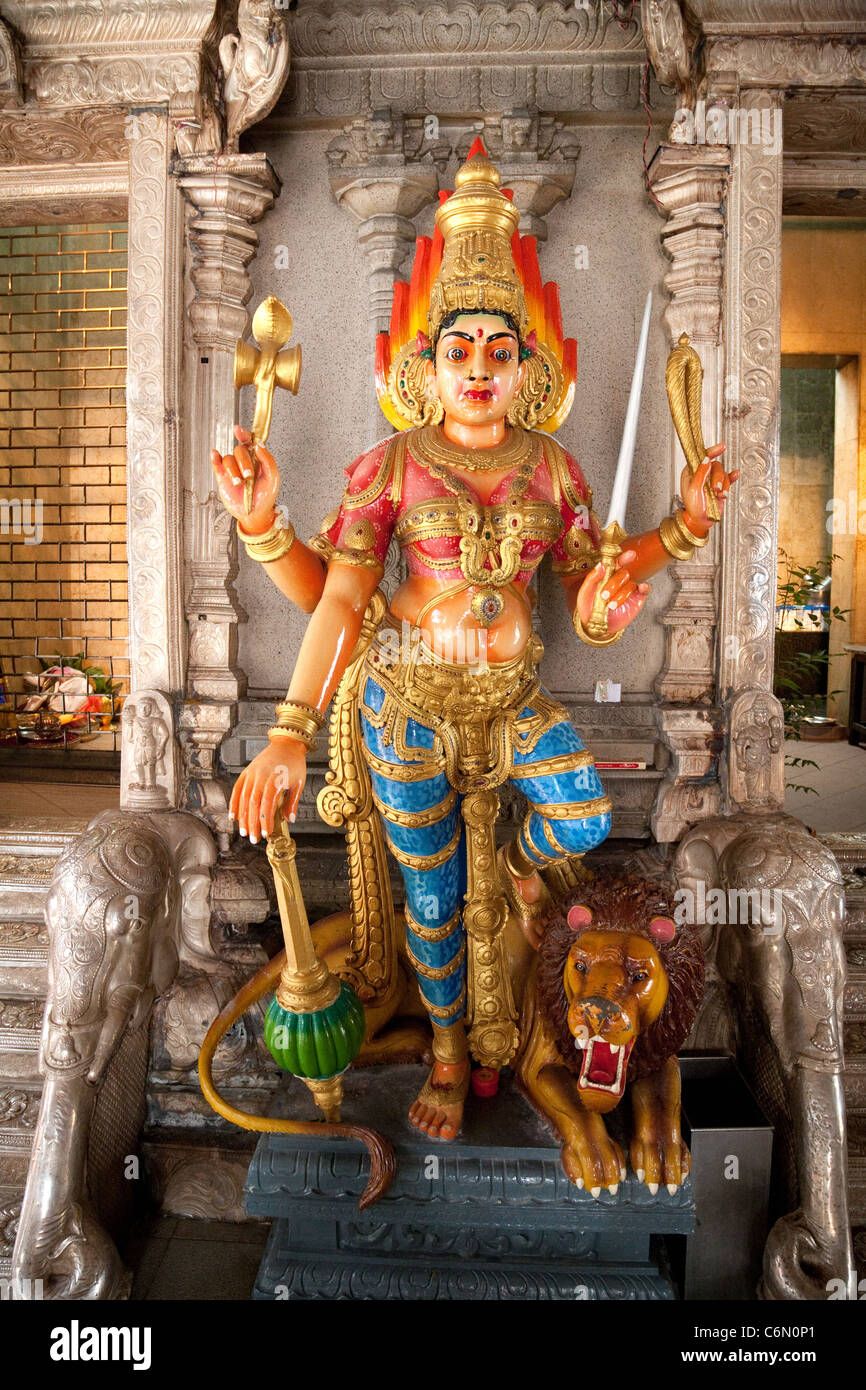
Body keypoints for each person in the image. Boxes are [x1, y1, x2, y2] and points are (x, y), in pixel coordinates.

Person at [211, 143, 737, 1140]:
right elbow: (336, 601)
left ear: (530, 367)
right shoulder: (390, 469)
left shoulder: (554, 471)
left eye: (500, 349)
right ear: (423, 366)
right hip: (405, 705)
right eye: (459, 350)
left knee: (577, 818)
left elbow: (590, 593)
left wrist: (680, 532)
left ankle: (520, 876)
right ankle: (450, 1055)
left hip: (510, 705)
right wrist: (287, 716)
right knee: (432, 898)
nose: (480, 368)